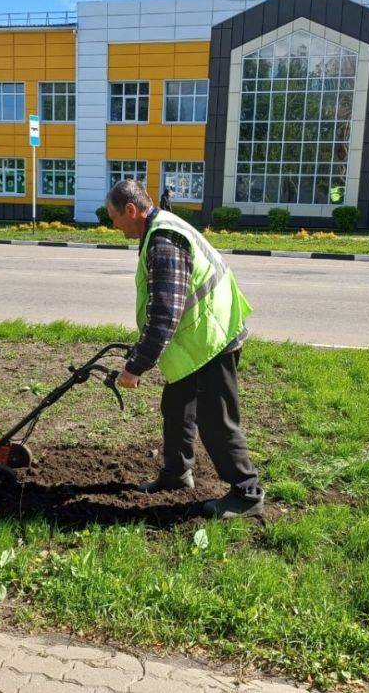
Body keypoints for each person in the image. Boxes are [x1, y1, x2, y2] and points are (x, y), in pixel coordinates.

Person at [106, 179, 264, 518]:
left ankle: (247, 492)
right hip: (197, 340)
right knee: (177, 405)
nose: (113, 225)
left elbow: (165, 314)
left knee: (216, 419)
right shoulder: (158, 227)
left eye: (114, 218)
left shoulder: (163, 241)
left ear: (130, 210)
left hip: (213, 340)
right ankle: (177, 474)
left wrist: (136, 366)